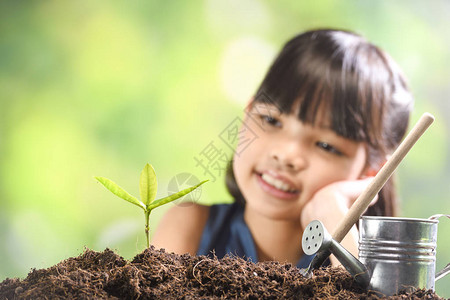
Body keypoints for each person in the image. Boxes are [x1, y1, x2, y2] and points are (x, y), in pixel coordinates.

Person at [151, 29, 413, 268]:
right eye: (271, 120)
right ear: (246, 115)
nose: (286, 155)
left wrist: (333, 218)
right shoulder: (191, 228)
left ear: (372, 174)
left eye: (325, 145)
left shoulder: (371, 269)